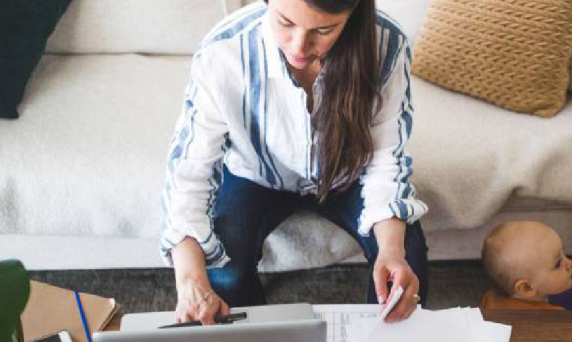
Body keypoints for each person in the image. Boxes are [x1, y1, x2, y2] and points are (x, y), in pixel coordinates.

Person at [159, 0, 429, 325]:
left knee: (407, 261)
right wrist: (189, 280)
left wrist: (391, 252)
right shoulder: (224, 51)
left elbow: (387, 158)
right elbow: (189, 172)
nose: (299, 46)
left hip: (347, 173)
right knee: (224, 273)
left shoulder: (386, 44)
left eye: (323, 30)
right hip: (255, 172)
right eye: (285, 22)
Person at [480, 221, 572, 325]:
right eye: (557, 264)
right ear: (527, 288)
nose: (569, 262)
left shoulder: (489, 299)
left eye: (563, 252)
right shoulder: (555, 321)